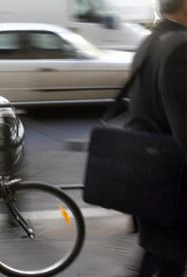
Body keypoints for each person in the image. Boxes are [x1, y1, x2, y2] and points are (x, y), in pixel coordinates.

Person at [129, 0, 187, 276]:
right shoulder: (181, 45)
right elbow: (183, 123)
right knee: (168, 259)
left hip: (145, 168)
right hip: (173, 180)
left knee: (158, 255)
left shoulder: (149, 41)